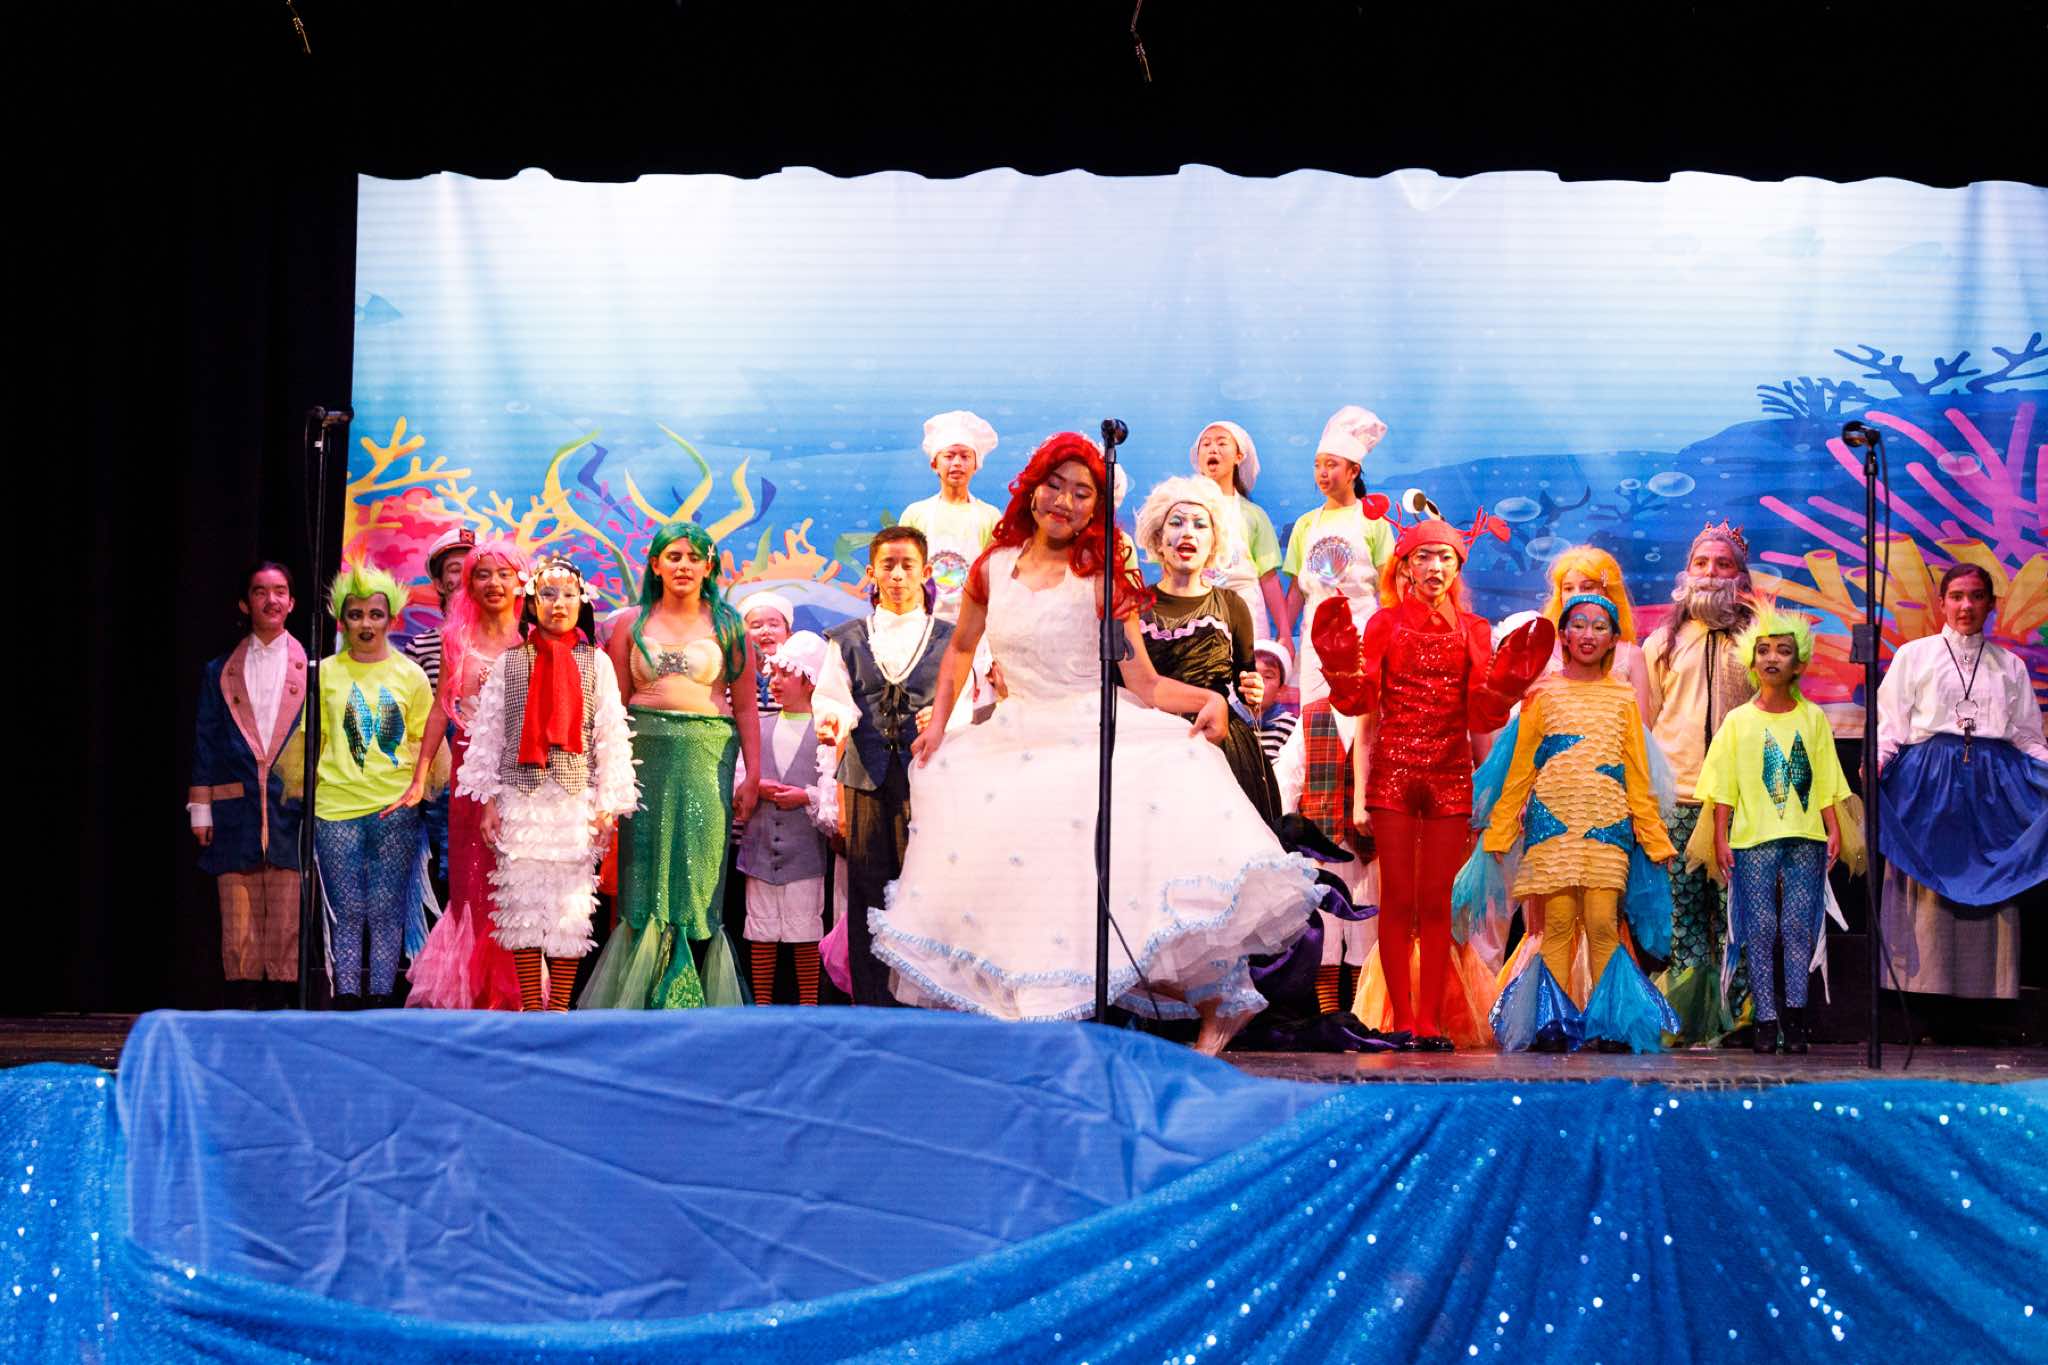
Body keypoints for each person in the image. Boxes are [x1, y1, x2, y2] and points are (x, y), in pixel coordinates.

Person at [875, 431, 1320, 1054]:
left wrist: (1211, 699)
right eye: (1055, 486)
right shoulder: (991, 568)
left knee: (1118, 884)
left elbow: (1144, 682)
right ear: (1031, 491)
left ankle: (1217, 1006)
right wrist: (940, 721)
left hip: (1094, 735)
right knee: (1019, 886)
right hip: (1015, 737)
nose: (1065, 501)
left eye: (1082, 493)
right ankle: (1034, 1028)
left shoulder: (1103, 578)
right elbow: (961, 649)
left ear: (1095, 508)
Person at [1318, 516, 1550, 1050]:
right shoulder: (1383, 624)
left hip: (1448, 774)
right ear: (1405, 566)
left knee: (1437, 903)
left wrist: (1507, 686)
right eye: (1424, 556)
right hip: (1394, 774)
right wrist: (1338, 663)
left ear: (1457, 567)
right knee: (1398, 899)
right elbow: (1361, 704)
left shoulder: (1474, 629)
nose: (1435, 567)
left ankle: (1429, 1022)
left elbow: (1481, 715)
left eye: (1445, 557)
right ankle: (1402, 1020)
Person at [1477, 594, 1679, 1053]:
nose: (1589, 634)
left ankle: (1611, 1023)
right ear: (1564, 636)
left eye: (1599, 626)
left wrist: (1653, 837)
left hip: (1607, 825)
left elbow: (1636, 772)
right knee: (1558, 925)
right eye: (1579, 625)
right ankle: (1552, 1020)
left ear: (1613, 639)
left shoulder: (1623, 697)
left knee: (1604, 923)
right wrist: (1502, 829)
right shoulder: (1542, 695)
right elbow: (1522, 767)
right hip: (1553, 827)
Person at [579, 522, 760, 1010]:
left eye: (693, 557)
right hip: (643, 757)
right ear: (655, 565)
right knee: (644, 871)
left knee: (699, 871)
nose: (683, 565)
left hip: (708, 755)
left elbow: (746, 707)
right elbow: (612, 708)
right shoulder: (629, 624)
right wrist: (604, 777)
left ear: (709, 566)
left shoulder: (730, 626)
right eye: (673, 556)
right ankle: (642, 993)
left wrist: (753, 775)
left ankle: (692, 988)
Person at [456, 557, 638, 1011]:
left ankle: (558, 1006)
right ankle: (532, 1007)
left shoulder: (596, 662)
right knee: (521, 901)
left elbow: (611, 733)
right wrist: (488, 801)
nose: (559, 604)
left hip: (575, 801)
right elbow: (489, 734)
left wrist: (609, 804)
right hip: (521, 799)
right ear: (532, 603)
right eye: (549, 595)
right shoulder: (511, 662)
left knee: (570, 905)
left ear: (582, 603)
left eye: (568, 595)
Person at [1876, 562, 2048, 1010]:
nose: (1966, 606)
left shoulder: (2009, 665)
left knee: (1993, 878)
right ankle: (1923, 1004)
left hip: (1991, 788)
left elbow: (2027, 736)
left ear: (1991, 605)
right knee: (1926, 884)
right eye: (1956, 596)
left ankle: (1983, 1004)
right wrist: (1876, 762)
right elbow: (1891, 724)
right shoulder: (1914, 656)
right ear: (1942, 603)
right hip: (1926, 784)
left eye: (1976, 596)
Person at [812, 526, 958, 1006]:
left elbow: (971, 701)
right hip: (866, 774)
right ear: (872, 573)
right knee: (868, 886)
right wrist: (833, 721)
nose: (897, 575)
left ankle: (925, 999)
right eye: (888, 566)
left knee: (925, 884)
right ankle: (872, 1002)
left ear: (926, 572)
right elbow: (832, 697)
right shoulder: (847, 639)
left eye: (907, 565)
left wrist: (944, 719)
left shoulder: (951, 639)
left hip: (929, 778)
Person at [1695, 607, 1850, 1054]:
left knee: (1798, 926)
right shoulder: (1738, 721)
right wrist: (1721, 836)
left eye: (1783, 651)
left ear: (1798, 664)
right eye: (1763, 650)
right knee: (1759, 927)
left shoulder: (1813, 718)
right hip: (1752, 838)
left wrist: (1833, 827)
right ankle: (1765, 1019)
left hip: (1804, 837)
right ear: (1751, 661)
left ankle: (1796, 1020)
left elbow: (1825, 779)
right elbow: (1723, 787)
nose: (1772, 658)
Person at [389, 536, 529, 1010]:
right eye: (482, 575)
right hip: (469, 772)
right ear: (468, 584)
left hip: (520, 774)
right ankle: (470, 993)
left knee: (513, 885)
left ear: (520, 582)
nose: (493, 583)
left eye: (503, 574)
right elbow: (438, 711)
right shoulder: (457, 640)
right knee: (471, 882)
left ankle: (515, 991)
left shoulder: (531, 642)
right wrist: (420, 776)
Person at [1642, 521, 1760, 1042]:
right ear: (1686, 573)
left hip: (1741, 803)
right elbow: (1646, 723)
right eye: (1702, 564)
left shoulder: (1760, 642)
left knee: (1738, 916)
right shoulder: (1663, 643)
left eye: (1723, 564)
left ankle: (1743, 1019)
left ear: (1741, 577)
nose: (1711, 574)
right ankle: (1688, 1018)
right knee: (1685, 919)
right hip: (1679, 798)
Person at [307, 563, 437, 1008]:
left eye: (375, 614)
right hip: (335, 807)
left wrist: (414, 790)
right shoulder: (324, 673)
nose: (366, 623)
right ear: (342, 621)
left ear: (391, 620)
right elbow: (311, 740)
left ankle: (381, 997)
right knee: (347, 910)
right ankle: (346, 997)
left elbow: (424, 743)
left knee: (385, 909)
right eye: (356, 614)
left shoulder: (411, 675)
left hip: (394, 807)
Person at [189, 562, 308, 1009]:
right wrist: (201, 808)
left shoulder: (313, 671)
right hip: (235, 812)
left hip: (288, 811)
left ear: (292, 603)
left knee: (286, 920)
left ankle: (280, 1010)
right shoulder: (220, 671)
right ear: (245, 603)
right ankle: (242, 1011)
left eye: (280, 591)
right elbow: (205, 739)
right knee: (238, 921)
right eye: (260, 592)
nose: (271, 600)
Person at [1132, 475, 1280, 823]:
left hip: (1218, 743)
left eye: (1200, 525)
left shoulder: (1232, 605)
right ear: (1158, 537)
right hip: (1149, 748)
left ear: (1214, 541)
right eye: (1177, 523)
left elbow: (1245, 683)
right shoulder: (1134, 606)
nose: (1188, 533)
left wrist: (1253, 691)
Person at [737, 631, 837, 1006]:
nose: (775, 682)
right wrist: (753, 785)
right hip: (760, 847)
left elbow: (833, 789)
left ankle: (809, 1002)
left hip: (804, 851)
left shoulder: (825, 732)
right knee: (761, 928)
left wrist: (806, 796)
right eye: (773, 674)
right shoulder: (759, 727)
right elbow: (738, 776)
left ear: (810, 681)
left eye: (785, 674)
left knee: (804, 927)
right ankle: (762, 1004)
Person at [1281, 405, 1398, 705]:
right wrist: (1283, 637)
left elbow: (1389, 586)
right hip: (1315, 643)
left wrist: (1393, 637)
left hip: (1363, 637)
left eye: (1331, 464)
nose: (1322, 472)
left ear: (1353, 471)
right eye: (1317, 465)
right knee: (1316, 719)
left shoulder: (1374, 521)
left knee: (1361, 718)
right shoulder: (1306, 524)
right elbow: (1296, 592)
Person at [405, 526, 476, 894]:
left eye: (472, 568)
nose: (464, 577)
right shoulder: (420, 646)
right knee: (444, 865)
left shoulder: (508, 640)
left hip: (487, 772)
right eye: (454, 569)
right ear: (438, 582)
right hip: (441, 773)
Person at [898, 410, 1003, 623]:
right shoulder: (915, 513)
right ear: (934, 464)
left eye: (965, 456)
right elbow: (902, 569)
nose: (957, 463)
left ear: (976, 465)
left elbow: (995, 575)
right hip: (921, 621)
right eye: (949, 456)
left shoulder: (990, 516)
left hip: (972, 622)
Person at [1189, 420, 1289, 641]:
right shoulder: (1184, 511)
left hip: (1246, 616)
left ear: (1239, 457)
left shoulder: (1253, 514)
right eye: (1206, 444)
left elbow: (1269, 579)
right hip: (1198, 616)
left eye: (1221, 443)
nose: (1212, 449)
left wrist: (1284, 634)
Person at [738, 590, 795, 717]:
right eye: (756, 626)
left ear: (788, 633)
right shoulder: (734, 676)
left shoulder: (798, 677)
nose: (766, 631)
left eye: (773, 625)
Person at [1247, 639, 1300, 764]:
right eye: (1252, 673)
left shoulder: (1291, 725)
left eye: (1268, 676)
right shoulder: (1227, 719)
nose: (1258, 681)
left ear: (1281, 689)